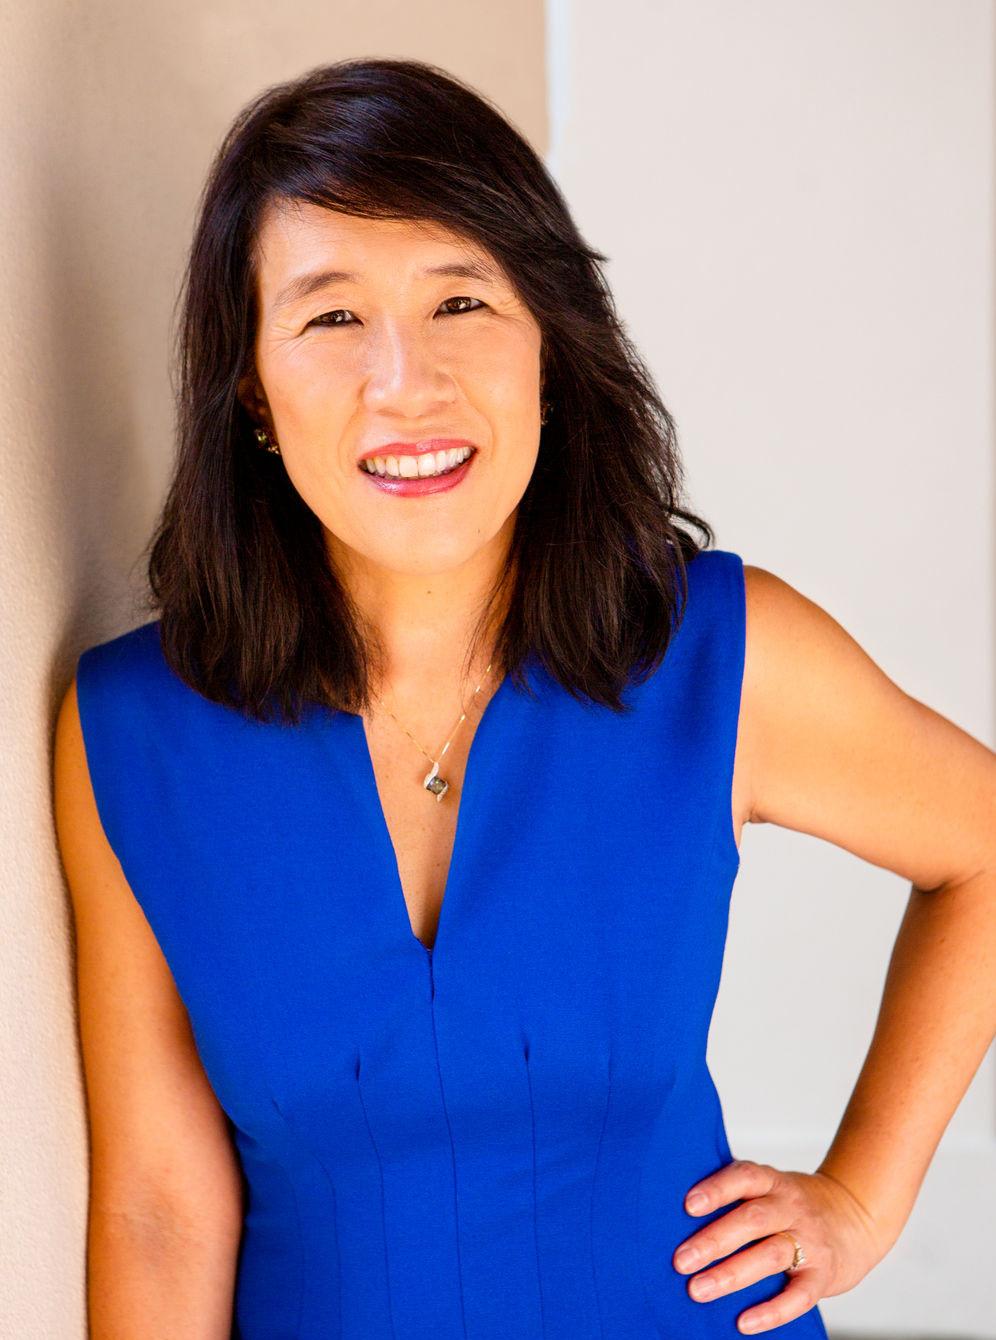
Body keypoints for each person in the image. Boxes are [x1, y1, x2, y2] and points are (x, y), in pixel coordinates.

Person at [53, 57, 996, 1340]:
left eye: (461, 299)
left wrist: (864, 1199)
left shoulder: (719, 653)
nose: (407, 380)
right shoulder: (133, 734)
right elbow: (159, 1209)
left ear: (549, 340)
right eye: (332, 317)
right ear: (252, 391)